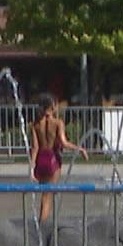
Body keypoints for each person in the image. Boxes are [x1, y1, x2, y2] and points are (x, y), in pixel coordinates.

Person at [28, 95, 86, 223]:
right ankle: (43, 226)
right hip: (52, 159)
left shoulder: (35, 125)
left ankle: (41, 222)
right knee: (48, 196)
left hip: (40, 160)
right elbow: (64, 143)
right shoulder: (58, 123)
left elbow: (35, 148)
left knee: (45, 195)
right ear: (51, 107)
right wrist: (80, 149)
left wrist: (32, 168)